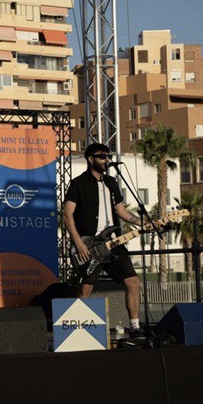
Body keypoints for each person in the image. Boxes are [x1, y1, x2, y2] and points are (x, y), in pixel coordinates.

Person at [63, 142, 143, 337]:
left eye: (108, 156)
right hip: (88, 245)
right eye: (101, 156)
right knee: (86, 288)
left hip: (112, 242)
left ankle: (135, 327)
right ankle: (74, 331)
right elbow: (67, 214)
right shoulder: (78, 183)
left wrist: (142, 222)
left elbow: (121, 211)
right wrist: (79, 243)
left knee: (133, 281)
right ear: (91, 159)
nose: (106, 159)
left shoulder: (111, 182)